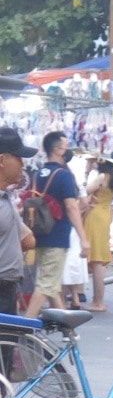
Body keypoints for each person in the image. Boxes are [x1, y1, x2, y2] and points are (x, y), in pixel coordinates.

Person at [25, 130, 88, 318]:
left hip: (40, 234)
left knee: (51, 282)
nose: (68, 151)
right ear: (58, 149)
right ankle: (22, 328)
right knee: (45, 284)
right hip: (58, 235)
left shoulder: (37, 174)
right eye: (66, 146)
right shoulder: (63, 175)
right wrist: (84, 239)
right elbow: (71, 207)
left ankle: (64, 325)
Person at [0, 127, 37, 321]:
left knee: (8, 345)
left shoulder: (7, 198)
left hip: (8, 287)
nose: (23, 164)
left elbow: (28, 240)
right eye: (18, 158)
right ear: (2, 160)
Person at [82, 159, 113, 312]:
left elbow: (86, 190)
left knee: (96, 259)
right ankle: (98, 300)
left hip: (95, 214)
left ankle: (97, 301)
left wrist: (87, 171)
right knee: (100, 259)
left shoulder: (102, 177)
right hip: (105, 215)